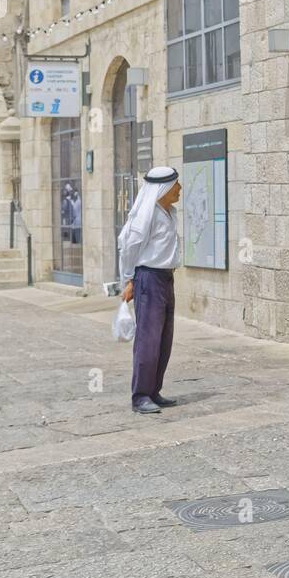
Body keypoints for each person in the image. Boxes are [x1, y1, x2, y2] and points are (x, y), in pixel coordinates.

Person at [118, 166, 182, 414]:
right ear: (163, 188)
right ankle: (141, 395)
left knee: (164, 338)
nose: (179, 189)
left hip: (166, 279)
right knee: (148, 339)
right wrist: (129, 279)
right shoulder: (147, 215)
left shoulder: (169, 212)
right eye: (175, 184)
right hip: (149, 278)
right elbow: (129, 245)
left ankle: (154, 389)